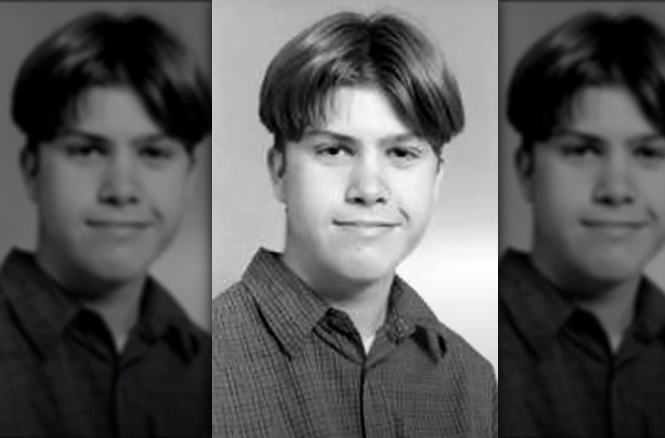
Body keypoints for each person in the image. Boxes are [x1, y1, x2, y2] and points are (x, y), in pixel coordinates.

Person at [212, 10, 497, 437]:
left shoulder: (471, 381)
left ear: (436, 180)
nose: (368, 188)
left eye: (402, 153)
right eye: (333, 151)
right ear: (279, 172)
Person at [0, 10, 211, 437]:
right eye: (87, 151)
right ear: (31, 169)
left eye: (153, 153)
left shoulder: (215, 369)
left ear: (189, 177)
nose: (120, 189)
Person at [499, 10, 665, 437]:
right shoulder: (465, 352)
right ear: (525, 169)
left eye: (648, 153)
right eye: (582, 150)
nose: (616, 189)